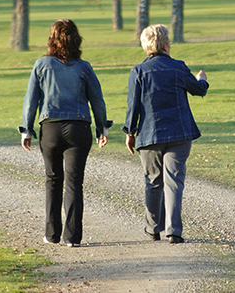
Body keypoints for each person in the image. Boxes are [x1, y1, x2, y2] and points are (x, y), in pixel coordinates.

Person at [19, 19, 110, 247]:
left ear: (51, 39)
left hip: (50, 127)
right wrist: (101, 128)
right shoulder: (84, 67)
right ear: (76, 40)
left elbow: (31, 101)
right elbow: (97, 100)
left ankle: (52, 234)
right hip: (79, 127)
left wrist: (27, 130)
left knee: (53, 180)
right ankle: (72, 237)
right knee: (74, 183)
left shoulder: (41, 65)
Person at [122, 24, 209, 244]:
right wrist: (202, 79)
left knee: (153, 181)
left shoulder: (138, 71)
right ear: (166, 44)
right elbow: (198, 90)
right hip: (179, 133)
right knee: (174, 181)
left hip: (149, 135)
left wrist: (130, 132)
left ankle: (153, 228)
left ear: (145, 46)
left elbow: (133, 107)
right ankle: (174, 231)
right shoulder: (179, 68)